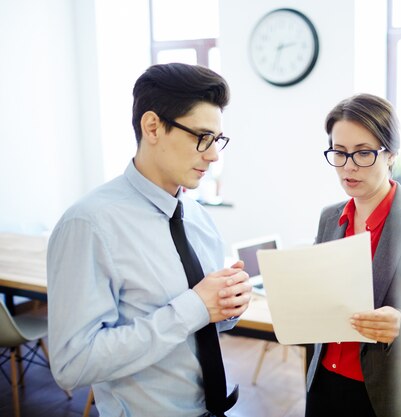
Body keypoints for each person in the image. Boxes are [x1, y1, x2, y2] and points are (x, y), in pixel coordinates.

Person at [47, 63, 252, 417]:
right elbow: (73, 364)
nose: (214, 155)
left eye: (217, 140)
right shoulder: (90, 224)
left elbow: (205, 318)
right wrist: (194, 307)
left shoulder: (199, 217)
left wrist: (227, 305)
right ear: (152, 126)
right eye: (202, 137)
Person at [305, 93, 401, 417]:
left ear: (390, 154)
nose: (348, 167)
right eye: (339, 153)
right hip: (323, 385)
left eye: (363, 153)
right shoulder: (329, 218)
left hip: (387, 398)